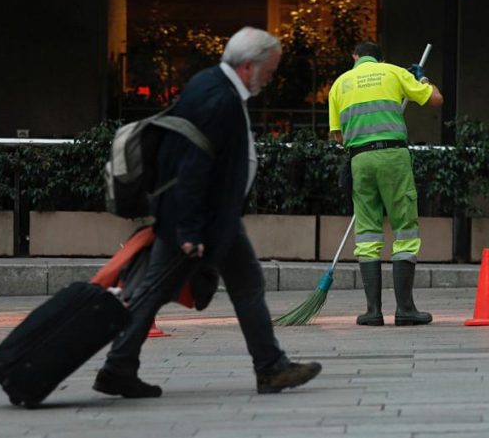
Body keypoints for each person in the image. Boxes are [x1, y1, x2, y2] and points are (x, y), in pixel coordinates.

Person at [93, 27, 321, 398]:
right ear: (249, 66)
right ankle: (117, 367)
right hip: (200, 219)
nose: (271, 78)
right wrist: (189, 231)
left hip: (215, 215)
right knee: (153, 291)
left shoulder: (210, 83)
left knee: (245, 284)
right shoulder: (220, 100)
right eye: (270, 70)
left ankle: (270, 367)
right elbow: (191, 167)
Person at [328, 41, 443, 327]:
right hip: (392, 157)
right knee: (404, 227)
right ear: (380, 58)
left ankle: (372, 312)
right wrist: (421, 78)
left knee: (367, 232)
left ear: (355, 57)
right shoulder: (392, 73)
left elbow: (337, 137)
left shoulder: (339, 85)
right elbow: (436, 100)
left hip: (360, 161)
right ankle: (405, 309)